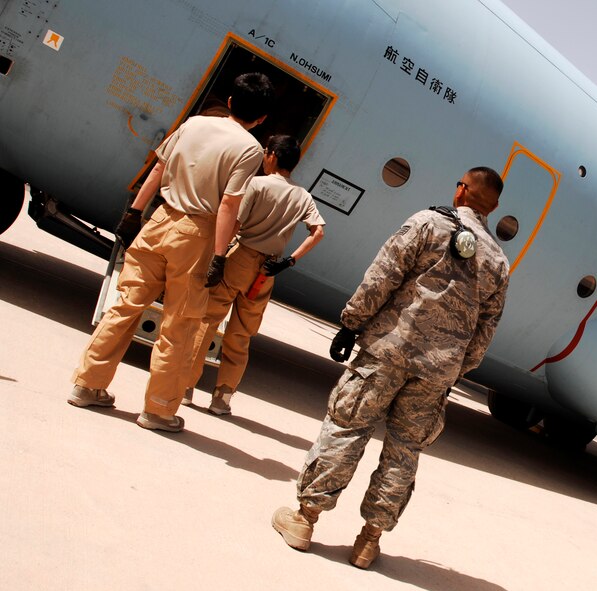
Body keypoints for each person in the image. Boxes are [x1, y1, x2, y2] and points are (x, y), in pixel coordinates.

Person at [272, 167, 510, 569]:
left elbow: (382, 277)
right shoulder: (498, 262)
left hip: (386, 353)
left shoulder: (428, 222)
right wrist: (453, 371)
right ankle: (369, 541)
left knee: (347, 428)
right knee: (403, 452)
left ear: (462, 190)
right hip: (436, 374)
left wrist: (351, 323)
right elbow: (485, 331)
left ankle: (304, 519)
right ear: (495, 206)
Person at [67, 72, 273, 433]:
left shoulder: (193, 124)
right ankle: (159, 409)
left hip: (159, 219)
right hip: (197, 234)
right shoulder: (250, 150)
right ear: (262, 118)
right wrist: (220, 256)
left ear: (229, 102)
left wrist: (133, 212)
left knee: (125, 306)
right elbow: (228, 203)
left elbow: (158, 168)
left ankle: (87, 384)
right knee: (179, 325)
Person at [183, 134, 326, 415]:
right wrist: (289, 262)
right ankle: (222, 399)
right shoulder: (303, 196)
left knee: (208, 320)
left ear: (272, 155)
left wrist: (218, 255)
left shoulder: (257, 184)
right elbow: (318, 231)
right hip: (268, 270)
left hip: (241, 258)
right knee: (241, 334)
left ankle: (186, 387)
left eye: (265, 152)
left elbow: (235, 222)